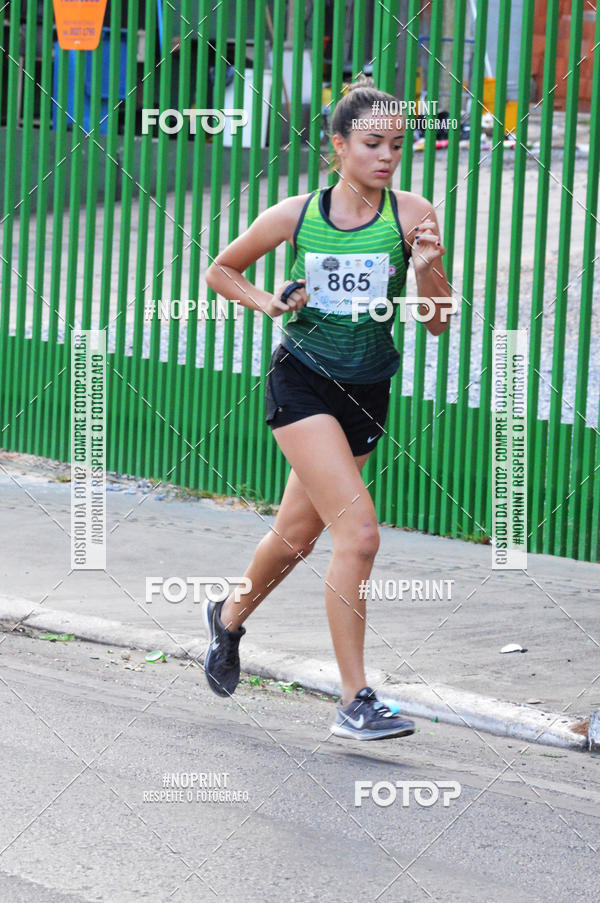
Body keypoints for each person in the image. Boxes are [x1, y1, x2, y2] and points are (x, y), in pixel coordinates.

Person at [203, 76, 453, 740]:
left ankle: (227, 617)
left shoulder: (412, 214)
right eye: (373, 143)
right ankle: (354, 698)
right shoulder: (297, 214)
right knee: (360, 536)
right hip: (304, 382)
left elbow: (437, 323)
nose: (387, 157)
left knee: (296, 536)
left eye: (397, 145)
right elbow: (221, 269)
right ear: (337, 144)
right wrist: (269, 302)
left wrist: (427, 268)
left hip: (367, 389)